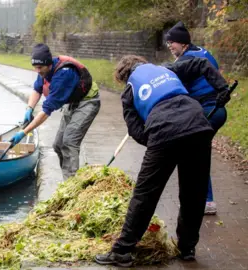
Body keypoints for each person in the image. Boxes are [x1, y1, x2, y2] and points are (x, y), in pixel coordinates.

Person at [94, 55, 231, 267]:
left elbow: (135, 130)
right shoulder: (167, 69)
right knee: (194, 192)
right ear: (142, 62)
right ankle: (187, 248)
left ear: (123, 76)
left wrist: (157, 141)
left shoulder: (129, 91)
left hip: (163, 132)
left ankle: (122, 251)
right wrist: (221, 89)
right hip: (198, 124)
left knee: (145, 194)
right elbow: (201, 63)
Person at [9, 43, 101, 181]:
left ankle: (71, 184)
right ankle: (69, 178)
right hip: (72, 102)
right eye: (35, 67)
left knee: (69, 141)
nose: (37, 71)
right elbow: (37, 89)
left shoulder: (63, 75)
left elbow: (46, 112)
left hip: (88, 102)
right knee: (58, 145)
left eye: (40, 67)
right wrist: (29, 108)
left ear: (49, 64)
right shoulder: (44, 70)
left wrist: (24, 132)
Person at [165, 21, 226, 215]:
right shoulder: (204, 52)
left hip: (206, 111)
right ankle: (204, 200)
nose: (169, 45)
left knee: (193, 155)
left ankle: (204, 201)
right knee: (198, 153)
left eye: (172, 42)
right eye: (168, 42)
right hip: (218, 111)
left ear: (183, 43)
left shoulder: (185, 61)